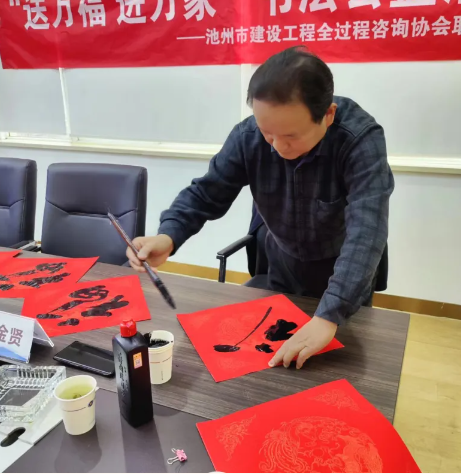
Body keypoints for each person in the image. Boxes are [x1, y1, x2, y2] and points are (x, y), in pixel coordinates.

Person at [128, 46, 393, 370]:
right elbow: (207, 192)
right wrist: (168, 236)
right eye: (268, 133)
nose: (278, 147)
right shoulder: (248, 136)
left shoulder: (359, 139)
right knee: (268, 367)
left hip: (344, 271)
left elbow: (367, 230)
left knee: (337, 370)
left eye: (290, 137)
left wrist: (330, 313)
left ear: (328, 115)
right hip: (281, 263)